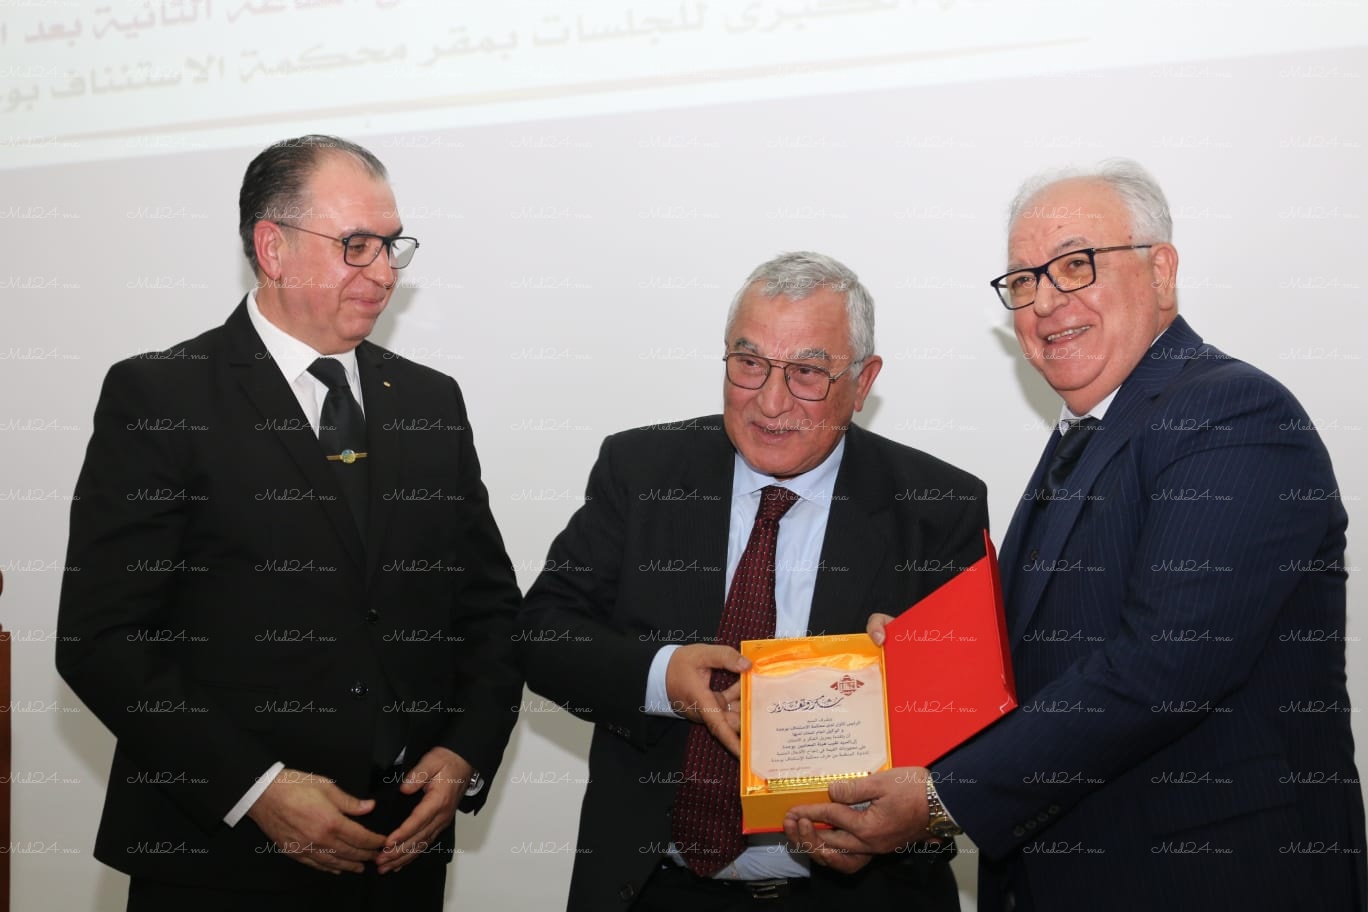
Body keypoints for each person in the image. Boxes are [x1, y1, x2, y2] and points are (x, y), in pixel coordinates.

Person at [784, 161, 1367, 911]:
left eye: (1075, 265)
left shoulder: (1232, 414)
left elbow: (1165, 666)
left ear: (1161, 271)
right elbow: (1042, 655)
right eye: (1024, 281)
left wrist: (939, 799)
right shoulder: (1086, 435)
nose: (1045, 302)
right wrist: (928, 663)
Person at [56, 134, 524, 911]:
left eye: (392, 246)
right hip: (217, 864)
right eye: (357, 246)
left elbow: (489, 609)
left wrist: (463, 754)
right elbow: (103, 640)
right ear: (273, 249)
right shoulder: (163, 397)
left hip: (399, 860)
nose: (385, 272)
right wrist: (257, 789)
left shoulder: (429, 401)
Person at [518, 251, 989, 910]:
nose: (770, 402)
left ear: (862, 382)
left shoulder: (937, 507)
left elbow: (977, 733)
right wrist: (663, 677)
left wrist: (909, 688)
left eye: (807, 373)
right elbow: (541, 635)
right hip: (656, 888)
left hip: (855, 892)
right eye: (749, 364)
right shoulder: (642, 471)